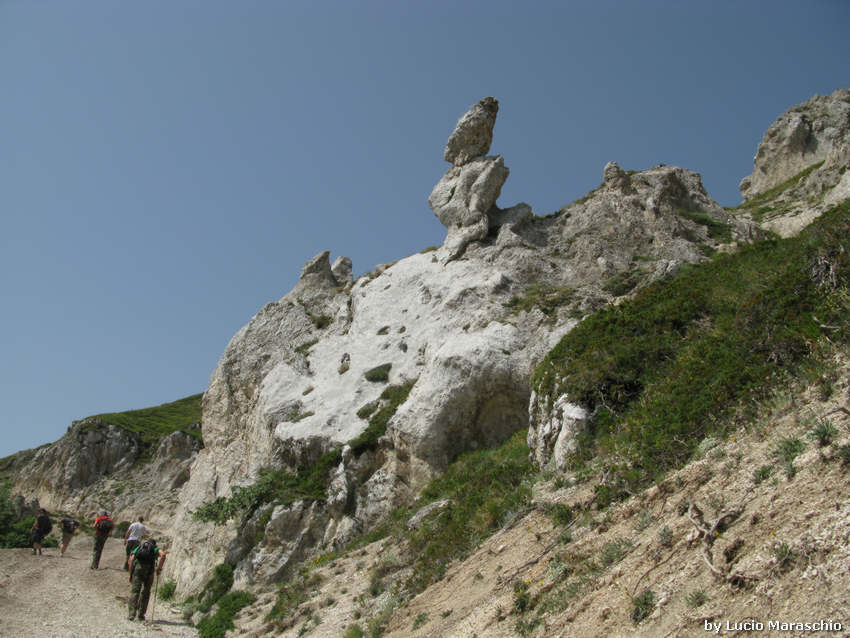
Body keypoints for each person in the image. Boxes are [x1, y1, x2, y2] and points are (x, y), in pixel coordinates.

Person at [127, 538, 166, 622]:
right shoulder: (155, 548)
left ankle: (131, 614)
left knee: (135, 591)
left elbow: (131, 559)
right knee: (146, 592)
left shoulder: (139, 547)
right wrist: (159, 569)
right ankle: (141, 615)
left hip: (138, 569)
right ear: (154, 544)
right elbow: (163, 555)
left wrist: (130, 574)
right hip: (149, 571)